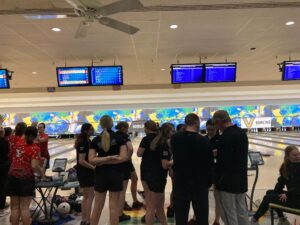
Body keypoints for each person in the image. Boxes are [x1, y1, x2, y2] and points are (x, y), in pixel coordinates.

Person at [171, 113, 213, 225]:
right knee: (202, 216)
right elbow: (209, 164)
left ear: (185, 123)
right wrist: (209, 182)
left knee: (180, 216)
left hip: (180, 182)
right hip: (200, 183)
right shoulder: (204, 141)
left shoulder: (175, 138)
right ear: (197, 123)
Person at [212, 110, 250, 225]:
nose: (216, 127)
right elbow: (235, 154)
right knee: (242, 211)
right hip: (241, 181)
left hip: (227, 182)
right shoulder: (242, 133)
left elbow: (223, 163)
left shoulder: (224, 137)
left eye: (215, 124)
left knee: (229, 214)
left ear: (219, 121)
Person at [88, 115, 127, 225]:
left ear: (100, 125)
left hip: (101, 174)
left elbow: (92, 160)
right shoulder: (120, 139)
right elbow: (123, 158)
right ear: (112, 124)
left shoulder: (96, 140)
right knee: (114, 207)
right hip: (116, 174)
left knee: (97, 207)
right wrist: (110, 158)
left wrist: (102, 160)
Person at [251, 145, 300, 225]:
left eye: (298, 154)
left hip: (297, 199)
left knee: (268, 198)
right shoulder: (286, 167)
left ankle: (254, 220)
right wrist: (275, 193)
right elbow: (280, 184)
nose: (298, 156)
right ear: (287, 157)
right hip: (294, 196)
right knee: (269, 193)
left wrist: (287, 194)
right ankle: (282, 219)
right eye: (294, 155)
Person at [5, 126, 45, 225]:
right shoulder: (35, 148)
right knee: (24, 207)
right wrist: (42, 174)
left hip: (12, 177)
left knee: (14, 208)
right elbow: (34, 166)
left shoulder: (17, 143)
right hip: (25, 179)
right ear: (34, 136)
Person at [146, 123, 174, 225]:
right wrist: (176, 160)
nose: (174, 132)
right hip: (157, 179)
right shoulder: (164, 144)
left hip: (152, 176)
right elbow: (165, 165)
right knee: (152, 207)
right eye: (172, 130)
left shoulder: (157, 141)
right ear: (167, 132)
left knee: (159, 207)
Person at [137, 120, 158, 222]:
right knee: (158, 195)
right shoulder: (161, 138)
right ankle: (157, 213)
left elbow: (139, 154)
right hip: (159, 170)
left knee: (148, 195)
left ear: (147, 128)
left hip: (146, 169)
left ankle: (149, 216)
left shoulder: (145, 139)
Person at [75, 123, 95, 225]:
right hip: (85, 172)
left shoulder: (87, 140)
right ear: (86, 131)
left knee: (87, 196)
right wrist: (94, 168)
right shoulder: (83, 142)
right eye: (91, 129)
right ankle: (87, 220)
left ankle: (85, 219)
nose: (94, 130)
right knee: (89, 196)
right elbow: (81, 161)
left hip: (85, 172)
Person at [115, 121, 134, 222]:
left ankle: (116, 212)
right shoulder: (125, 136)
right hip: (124, 165)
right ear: (123, 128)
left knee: (117, 191)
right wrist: (127, 158)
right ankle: (119, 214)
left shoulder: (114, 135)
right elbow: (130, 148)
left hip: (116, 165)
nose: (128, 130)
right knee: (122, 191)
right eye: (127, 128)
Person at [167, 123, 185, 218]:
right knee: (175, 189)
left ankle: (179, 207)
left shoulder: (187, 140)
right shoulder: (172, 141)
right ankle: (171, 207)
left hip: (184, 169)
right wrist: (170, 169)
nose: (184, 130)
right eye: (182, 129)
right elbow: (170, 156)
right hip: (175, 168)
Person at [0, 127, 10, 217]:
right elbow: (8, 153)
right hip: (3, 166)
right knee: (3, 186)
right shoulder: (5, 142)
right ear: (2, 133)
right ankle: (1, 205)